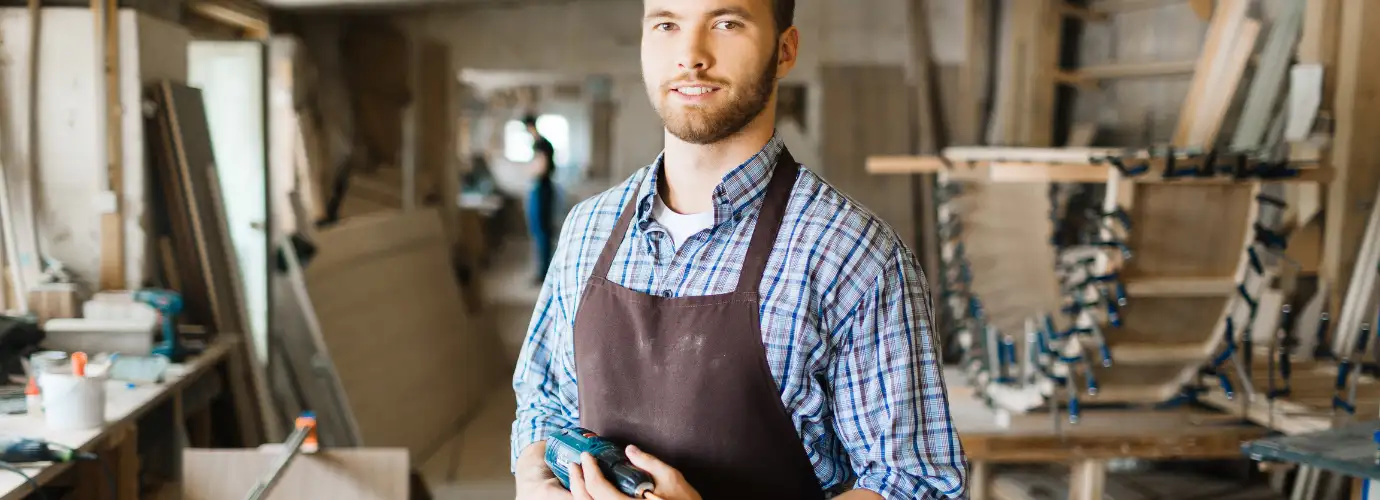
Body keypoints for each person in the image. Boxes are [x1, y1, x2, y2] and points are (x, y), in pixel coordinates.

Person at [510, 0, 968, 498]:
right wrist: (534, 472)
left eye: (726, 23)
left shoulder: (855, 256)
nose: (690, 55)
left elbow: (918, 485)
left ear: (784, 50)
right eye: (666, 25)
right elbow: (543, 401)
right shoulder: (587, 230)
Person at [523, 114, 558, 283]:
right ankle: (543, 271)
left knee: (542, 232)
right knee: (541, 231)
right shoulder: (542, 143)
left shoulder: (541, 144)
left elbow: (541, 167)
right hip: (543, 188)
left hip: (542, 188)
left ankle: (544, 272)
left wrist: (530, 172)